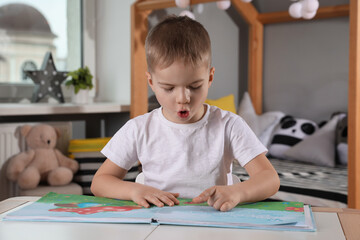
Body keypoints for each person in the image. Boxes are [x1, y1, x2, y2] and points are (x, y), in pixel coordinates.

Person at [91, 15, 280, 212]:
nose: (183, 98)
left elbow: (269, 179)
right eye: (169, 88)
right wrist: (134, 191)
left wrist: (238, 192)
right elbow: (100, 182)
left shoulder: (228, 125)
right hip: (157, 224)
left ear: (209, 77)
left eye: (194, 86)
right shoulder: (139, 128)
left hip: (213, 223)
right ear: (151, 83)